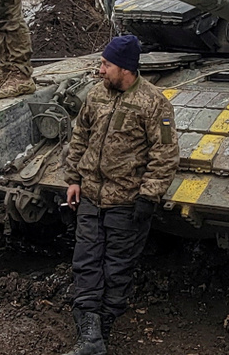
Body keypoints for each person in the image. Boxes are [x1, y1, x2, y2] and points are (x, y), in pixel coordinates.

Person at [62, 35, 179, 355]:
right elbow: (79, 137)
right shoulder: (96, 95)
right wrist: (73, 179)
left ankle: (102, 329)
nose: (100, 70)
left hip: (126, 202)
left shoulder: (155, 103)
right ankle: (90, 336)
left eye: (106, 64)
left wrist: (148, 196)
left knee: (117, 269)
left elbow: (165, 153)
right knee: (85, 263)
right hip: (91, 197)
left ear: (125, 69)